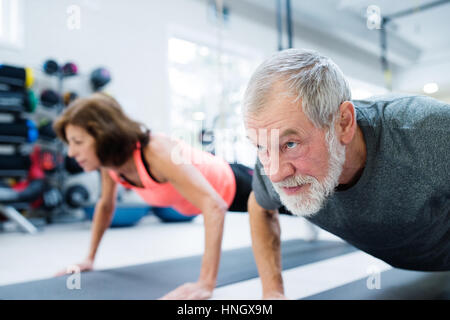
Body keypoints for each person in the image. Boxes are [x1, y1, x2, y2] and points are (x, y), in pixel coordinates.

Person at [243, 48, 450, 299]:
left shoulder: (427, 132)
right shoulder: (272, 155)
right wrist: (272, 292)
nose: (274, 174)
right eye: (260, 146)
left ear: (343, 123)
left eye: (291, 144)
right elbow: (259, 206)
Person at [53, 93, 253, 300]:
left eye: (77, 142)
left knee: (285, 207)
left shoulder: (155, 151)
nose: (71, 153)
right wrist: (89, 259)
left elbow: (214, 205)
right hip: (212, 199)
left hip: (236, 183)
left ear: (103, 135)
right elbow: (105, 205)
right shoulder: (109, 163)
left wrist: (205, 283)